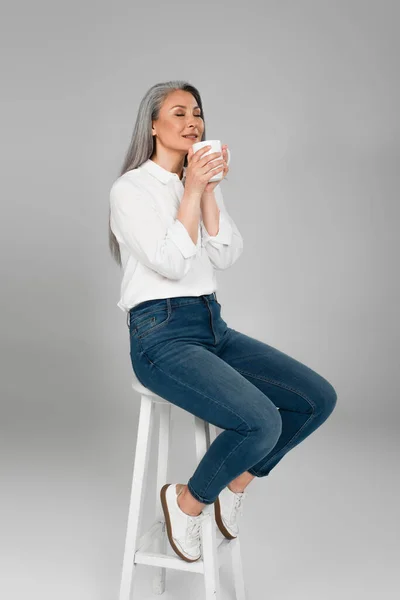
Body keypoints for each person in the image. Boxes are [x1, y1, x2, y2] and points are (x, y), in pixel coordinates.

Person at [108, 80, 337, 563]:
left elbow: (227, 253)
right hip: (160, 339)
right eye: (178, 113)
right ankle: (188, 501)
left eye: (197, 113)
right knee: (260, 421)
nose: (193, 122)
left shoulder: (195, 181)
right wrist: (190, 190)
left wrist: (206, 190)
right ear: (152, 126)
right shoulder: (130, 189)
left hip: (212, 326)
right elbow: (170, 262)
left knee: (316, 399)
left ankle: (237, 481)